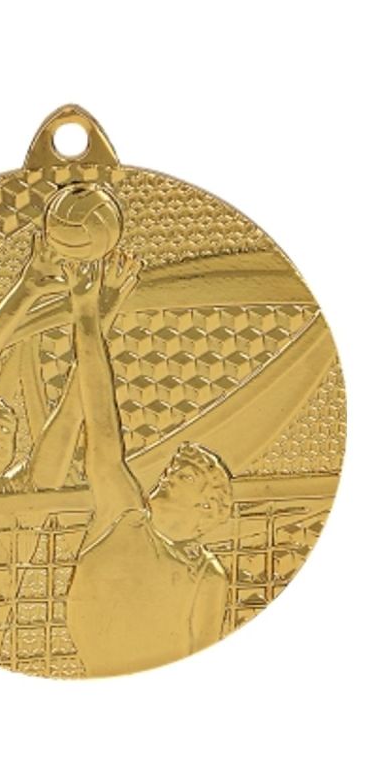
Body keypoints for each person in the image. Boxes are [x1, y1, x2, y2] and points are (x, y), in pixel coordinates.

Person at [63, 256, 233, 675]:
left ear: (206, 509)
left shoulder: (206, 576)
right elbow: (100, 416)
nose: (169, 473)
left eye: (186, 476)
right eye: (175, 469)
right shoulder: (121, 514)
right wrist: (86, 311)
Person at [0, 232, 140, 498]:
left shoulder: (21, 493)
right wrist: (26, 288)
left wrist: (97, 314)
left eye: (6, 430)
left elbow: (73, 409)